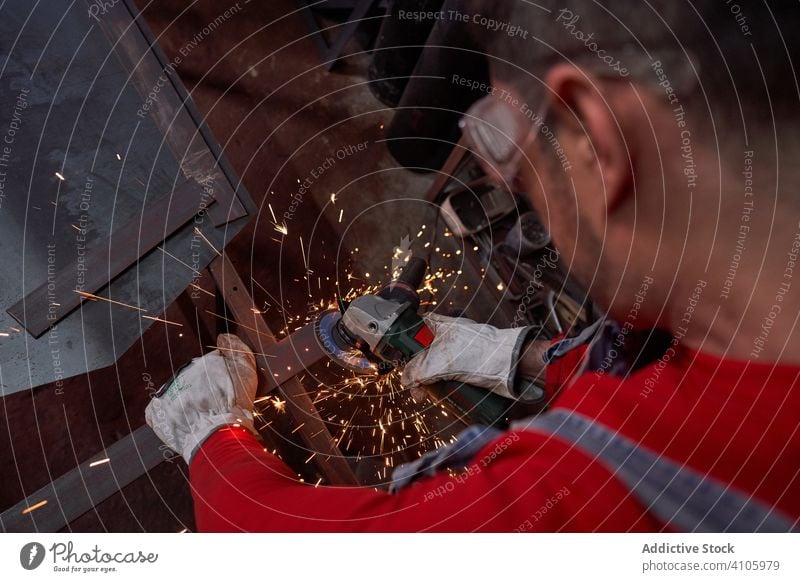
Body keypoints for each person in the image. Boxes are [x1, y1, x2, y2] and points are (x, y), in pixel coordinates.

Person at [146, 0, 800, 532]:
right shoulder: (725, 344)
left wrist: (207, 433)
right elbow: (664, 369)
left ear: (594, 139)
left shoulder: (596, 498)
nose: (516, 184)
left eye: (502, 140)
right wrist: (512, 356)